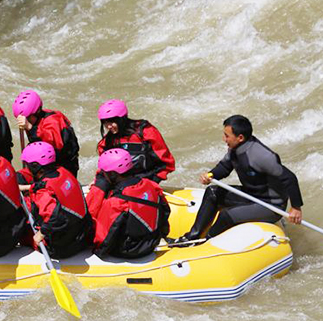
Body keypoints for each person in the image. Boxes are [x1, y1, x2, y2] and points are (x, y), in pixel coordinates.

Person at [177, 115, 303, 243]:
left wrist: (296, 207)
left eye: (227, 136)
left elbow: (290, 178)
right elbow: (224, 167)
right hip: (251, 195)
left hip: (270, 205)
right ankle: (192, 236)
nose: (224, 139)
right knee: (212, 192)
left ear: (240, 137)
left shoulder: (262, 156)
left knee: (226, 215)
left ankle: (206, 242)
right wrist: (211, 175)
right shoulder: (235, 149)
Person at [87, 148, 170, 259]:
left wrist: (96, 253)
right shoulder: (151, 185)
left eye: (104, 173)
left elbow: (104, 238)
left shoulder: (116, 203)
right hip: (153, 241)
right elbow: (165, 212)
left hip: (128, 250)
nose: (102, 175)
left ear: (112, 174)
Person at [19, 142, 91, 258]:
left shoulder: (43, 192)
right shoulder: (63, 172)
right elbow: (51, 186)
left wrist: (41, 234)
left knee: (21, 230)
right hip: (81, 235)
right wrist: (28, 187)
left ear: (35, 167)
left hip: (61, 248)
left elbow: (55, 219)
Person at [96, 99, 174, 189]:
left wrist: (153, 182)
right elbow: (105, 168)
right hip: (121, 183)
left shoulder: (145, 132)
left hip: (146, 181)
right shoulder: (107, 142)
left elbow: (167, 163)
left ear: (122, 119)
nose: (108, 126)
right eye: (105, 123)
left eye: (112, 122)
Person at [14, 90, 80, 178]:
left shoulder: (52, 121)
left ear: (36, 112)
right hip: (46, 164)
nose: (25, 120)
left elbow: (51, 145)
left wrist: (30, 127)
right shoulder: (34, 120)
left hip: (64, 166)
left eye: (28, 118)